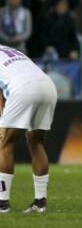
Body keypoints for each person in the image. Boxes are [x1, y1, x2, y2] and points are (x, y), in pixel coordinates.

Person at [0, 44, 57, 213]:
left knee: (5, 144)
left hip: (22, 88)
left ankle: (2, 204)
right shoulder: (11, 50)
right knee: (36, 143)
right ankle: (40, 203)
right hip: (47, 86)